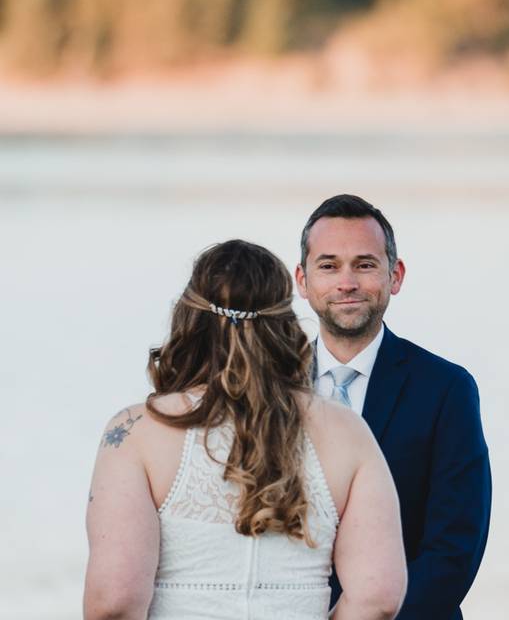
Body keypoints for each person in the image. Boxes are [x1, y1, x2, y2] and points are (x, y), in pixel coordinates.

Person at [84, 240, 406, 620]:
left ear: (189, 319)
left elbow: (115, 603)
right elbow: (379, 596)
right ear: (284, 323)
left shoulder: (135, 432)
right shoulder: (348, 432)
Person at [295, 195, 492, 620]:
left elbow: (454, 550)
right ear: (302, 280)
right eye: (328, 266)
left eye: (364, 265)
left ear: (395, 275)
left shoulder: (446, 389)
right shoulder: (270, 386)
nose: (346, 282)